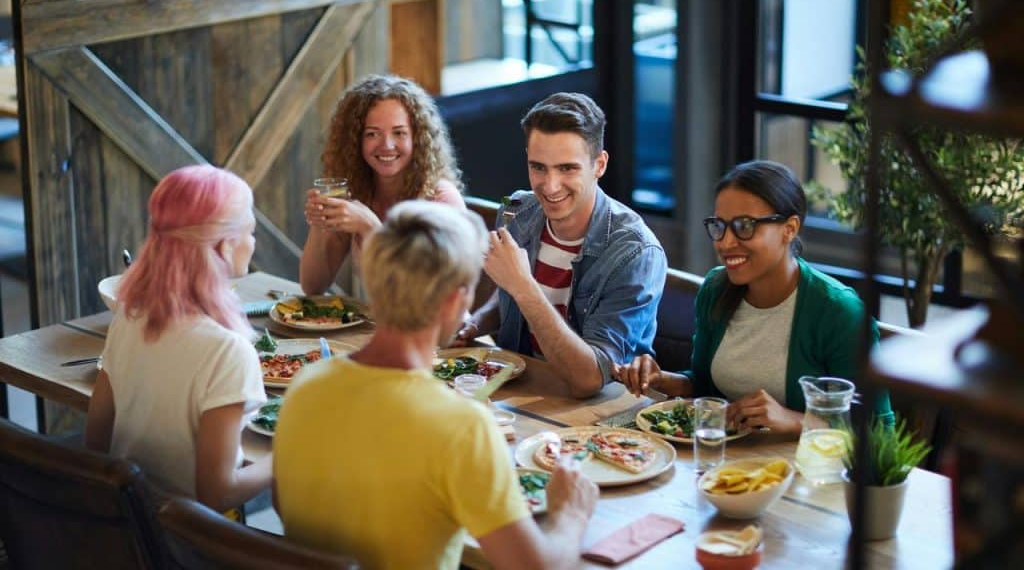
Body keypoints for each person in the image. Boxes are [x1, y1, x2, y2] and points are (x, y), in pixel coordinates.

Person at [274, 201, 598, 570]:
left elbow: (285, 509)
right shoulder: (461, 427)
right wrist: (570, 513)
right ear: (455, 301)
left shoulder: (306, 385)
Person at [616, 160, 894, 434]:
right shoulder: (716, 288)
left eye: (745, 226)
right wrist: (660, 379)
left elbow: (879, 431)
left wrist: (793, 420)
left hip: (805, 472)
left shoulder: (838, 312)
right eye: (719, 226)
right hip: (729, 466)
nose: (725, 242)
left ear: (790, 228)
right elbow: (704, 386)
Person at [454, 92, 667, 398]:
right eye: (538, 167)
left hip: (602, 416)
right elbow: (508, 297)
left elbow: (590, 380)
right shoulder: (517, 211)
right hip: (522, 391)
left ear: (599, 165)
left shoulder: (636, 252)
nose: (550, 186)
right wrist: (476, 324)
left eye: (567, 168)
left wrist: (523, 285)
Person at [85, 165, 270, 512]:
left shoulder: (129, 318)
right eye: (250, 231)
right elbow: (218, 493)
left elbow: (95, 440)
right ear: (225, 246)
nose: (253, 242)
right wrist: (284, 458)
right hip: (190, 548)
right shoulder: (228, 351)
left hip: (128, 528)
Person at [300, 74, 466, 297]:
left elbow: (429, 300)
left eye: (399, 133)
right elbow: (313, 286)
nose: (386, 145)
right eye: (372, 134)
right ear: (355, 141)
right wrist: (321, 222)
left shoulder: (440, 200)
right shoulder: (358, 191)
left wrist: (371, 228)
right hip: (377, 325)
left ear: (418, 139)